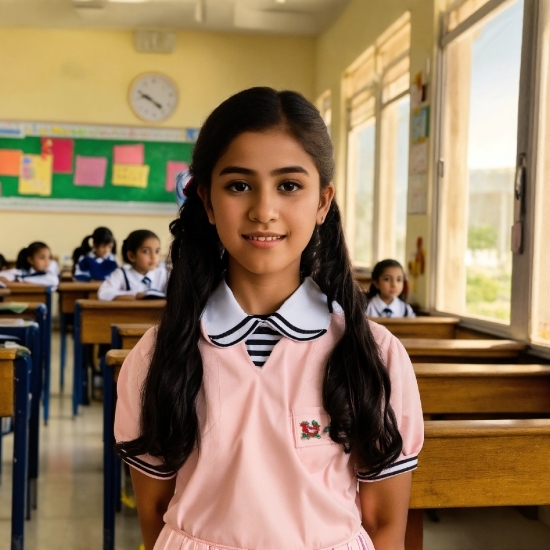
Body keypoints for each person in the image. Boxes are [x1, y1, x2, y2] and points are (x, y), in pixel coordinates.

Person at [114, 87, 423, 550]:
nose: (264, 211)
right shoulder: (160, 355)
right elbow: (156, 514)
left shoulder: (373, 354)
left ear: (323, 202)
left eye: (289, 185)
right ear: (207, 200)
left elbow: (383, 524)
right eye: (239, 185)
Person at [98, 230, 167, 301]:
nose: (153, 257)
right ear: (131, 256)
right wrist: (134, 295)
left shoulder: (163, 274)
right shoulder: (121, 273)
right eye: (146, 251)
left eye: (157, 251)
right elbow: (104, 294)